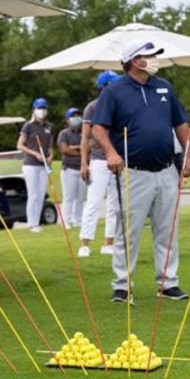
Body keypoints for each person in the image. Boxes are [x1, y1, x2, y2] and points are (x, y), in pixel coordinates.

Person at [91, 40, 190, 303]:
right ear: (135, 60)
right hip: (133, 172)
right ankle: (122, 285)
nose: (155, 58)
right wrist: (112, 154)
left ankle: (168, 282)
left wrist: (189, 154)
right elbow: (98, 128)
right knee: (128, 231)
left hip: (166, 169)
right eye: (150, 55)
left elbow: (181, 123)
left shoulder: (164, 87)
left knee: (167, 229)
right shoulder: (114, 91)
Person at [78, 71, 120, 257]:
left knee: (115, 204)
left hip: (118, 161)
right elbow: (85, 138)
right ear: (104, 87)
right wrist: (83, 163)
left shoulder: (120, 106)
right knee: (93, 202)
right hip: (98, 161)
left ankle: (108, 243)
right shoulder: (92, 108)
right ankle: (85, 244)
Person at [18, 97, 52, 233]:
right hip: (30, 164)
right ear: (34, 109)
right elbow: (20, 145)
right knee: (33, 194)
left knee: (41, 194)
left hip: (44, 165)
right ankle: (32, 224)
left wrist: (50, 156)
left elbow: (49, 147)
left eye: (44, 108)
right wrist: (34, 153)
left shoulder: (49, 127)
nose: (42, 111)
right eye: (39, 108)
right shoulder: (28, 125)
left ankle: (37, 222)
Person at [57, 107, 86, 227]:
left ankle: (77, 220)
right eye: (73, 116)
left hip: (82, 168)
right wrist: (80, 149)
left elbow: (88, 147)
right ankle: (66, 221)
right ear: (67, 120)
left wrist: (75, 147)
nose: (76, 118)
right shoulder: (64, 133)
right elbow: (64, 149)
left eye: (78, 115)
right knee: (69, 197)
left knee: (80, 197)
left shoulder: (84, 132)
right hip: (69, 169)